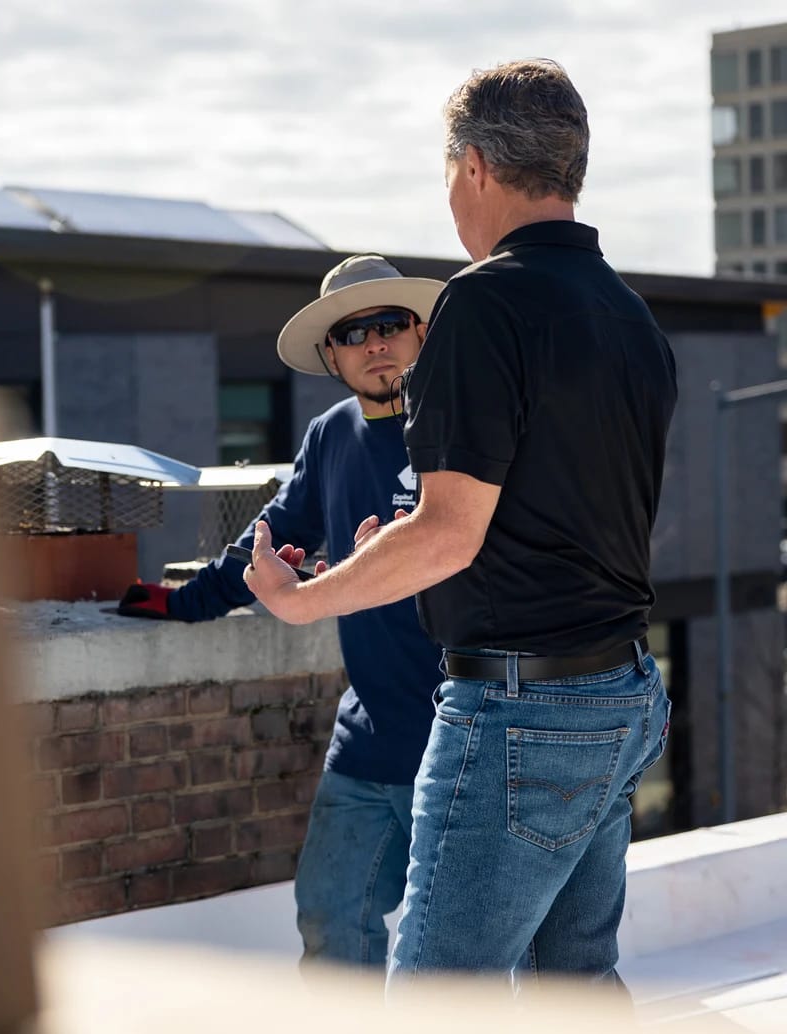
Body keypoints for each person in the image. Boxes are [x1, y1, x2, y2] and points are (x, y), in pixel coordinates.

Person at [243, 59, 678, 991]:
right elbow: (552, 519)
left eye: (447, 174)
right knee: (575, 989)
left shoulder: (483, 302)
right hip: (619, 691)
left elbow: (450, 532)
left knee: (442, 997)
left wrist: (303, 598)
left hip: (522, 710)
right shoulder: (628, 313)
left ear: (474, 166)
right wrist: (403, 549)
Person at [119, 253, 447, 971]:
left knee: (456, 958)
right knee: (331, 923)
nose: (375, 344)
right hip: (366, 743)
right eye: (354, 333)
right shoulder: (331, 434)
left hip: (462, 743)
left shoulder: (459, 427)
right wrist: (179, 603)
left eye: (390, 324)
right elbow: (270, 543)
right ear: (332, 353)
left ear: (421, 332)